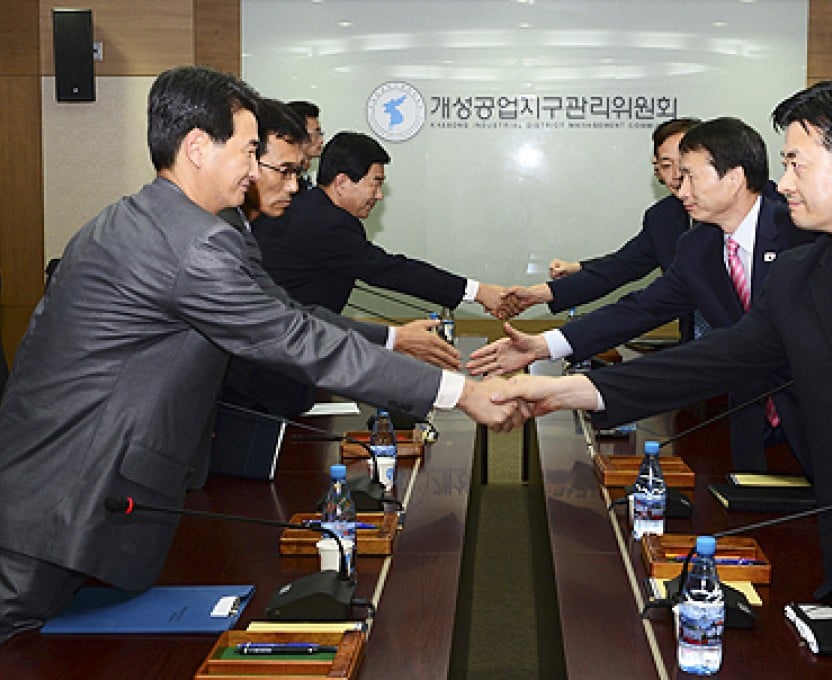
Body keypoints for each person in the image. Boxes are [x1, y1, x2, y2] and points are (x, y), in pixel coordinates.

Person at [0, 66, 519, 644]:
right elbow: (296, 340)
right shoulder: (191, 243)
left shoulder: (147, 219)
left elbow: (288, 317)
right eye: (249, 151)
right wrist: (459, 392)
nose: (256, 170)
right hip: (64, 502)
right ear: (198, 147)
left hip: (64, 486)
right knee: (24, 647)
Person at [495, 80, 832, 651]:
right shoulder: (803, 277)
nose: (784, 182)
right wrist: (569, 390)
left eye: (797, 164)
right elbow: (711, 360)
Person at [471, 118, 815, 472]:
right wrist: (543, 345)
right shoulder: (697, 246)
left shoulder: (803, 236)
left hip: (817, 414)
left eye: (690, 176)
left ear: (734, 178)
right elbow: (640, 309)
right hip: (746, 415)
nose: (679, 188)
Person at [218, 98, 459, 418]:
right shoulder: (217, 236)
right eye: (285, 171)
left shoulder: (244, 228)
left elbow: (290, 312)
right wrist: (398, 342)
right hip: (241, 397)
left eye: (297, 172)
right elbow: (286, 323)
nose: (294, 187)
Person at [252, 130, 508, 318]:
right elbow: (391, 270)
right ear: (342, 182)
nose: (378, 196)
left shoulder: (308, 209)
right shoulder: (329, 224)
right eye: (374, 184)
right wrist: (477, 292)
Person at [497, 118, 700, 324]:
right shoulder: (663, 218)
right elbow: (621, 267)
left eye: (684, 164)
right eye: (666, 166)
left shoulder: (720, 222)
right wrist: (536, 294)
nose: (677, 175)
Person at [286, 99, 323, 191]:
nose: (321, 140)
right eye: (316, 133)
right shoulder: (287, 182)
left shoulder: (304, 179)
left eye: (321, 133)